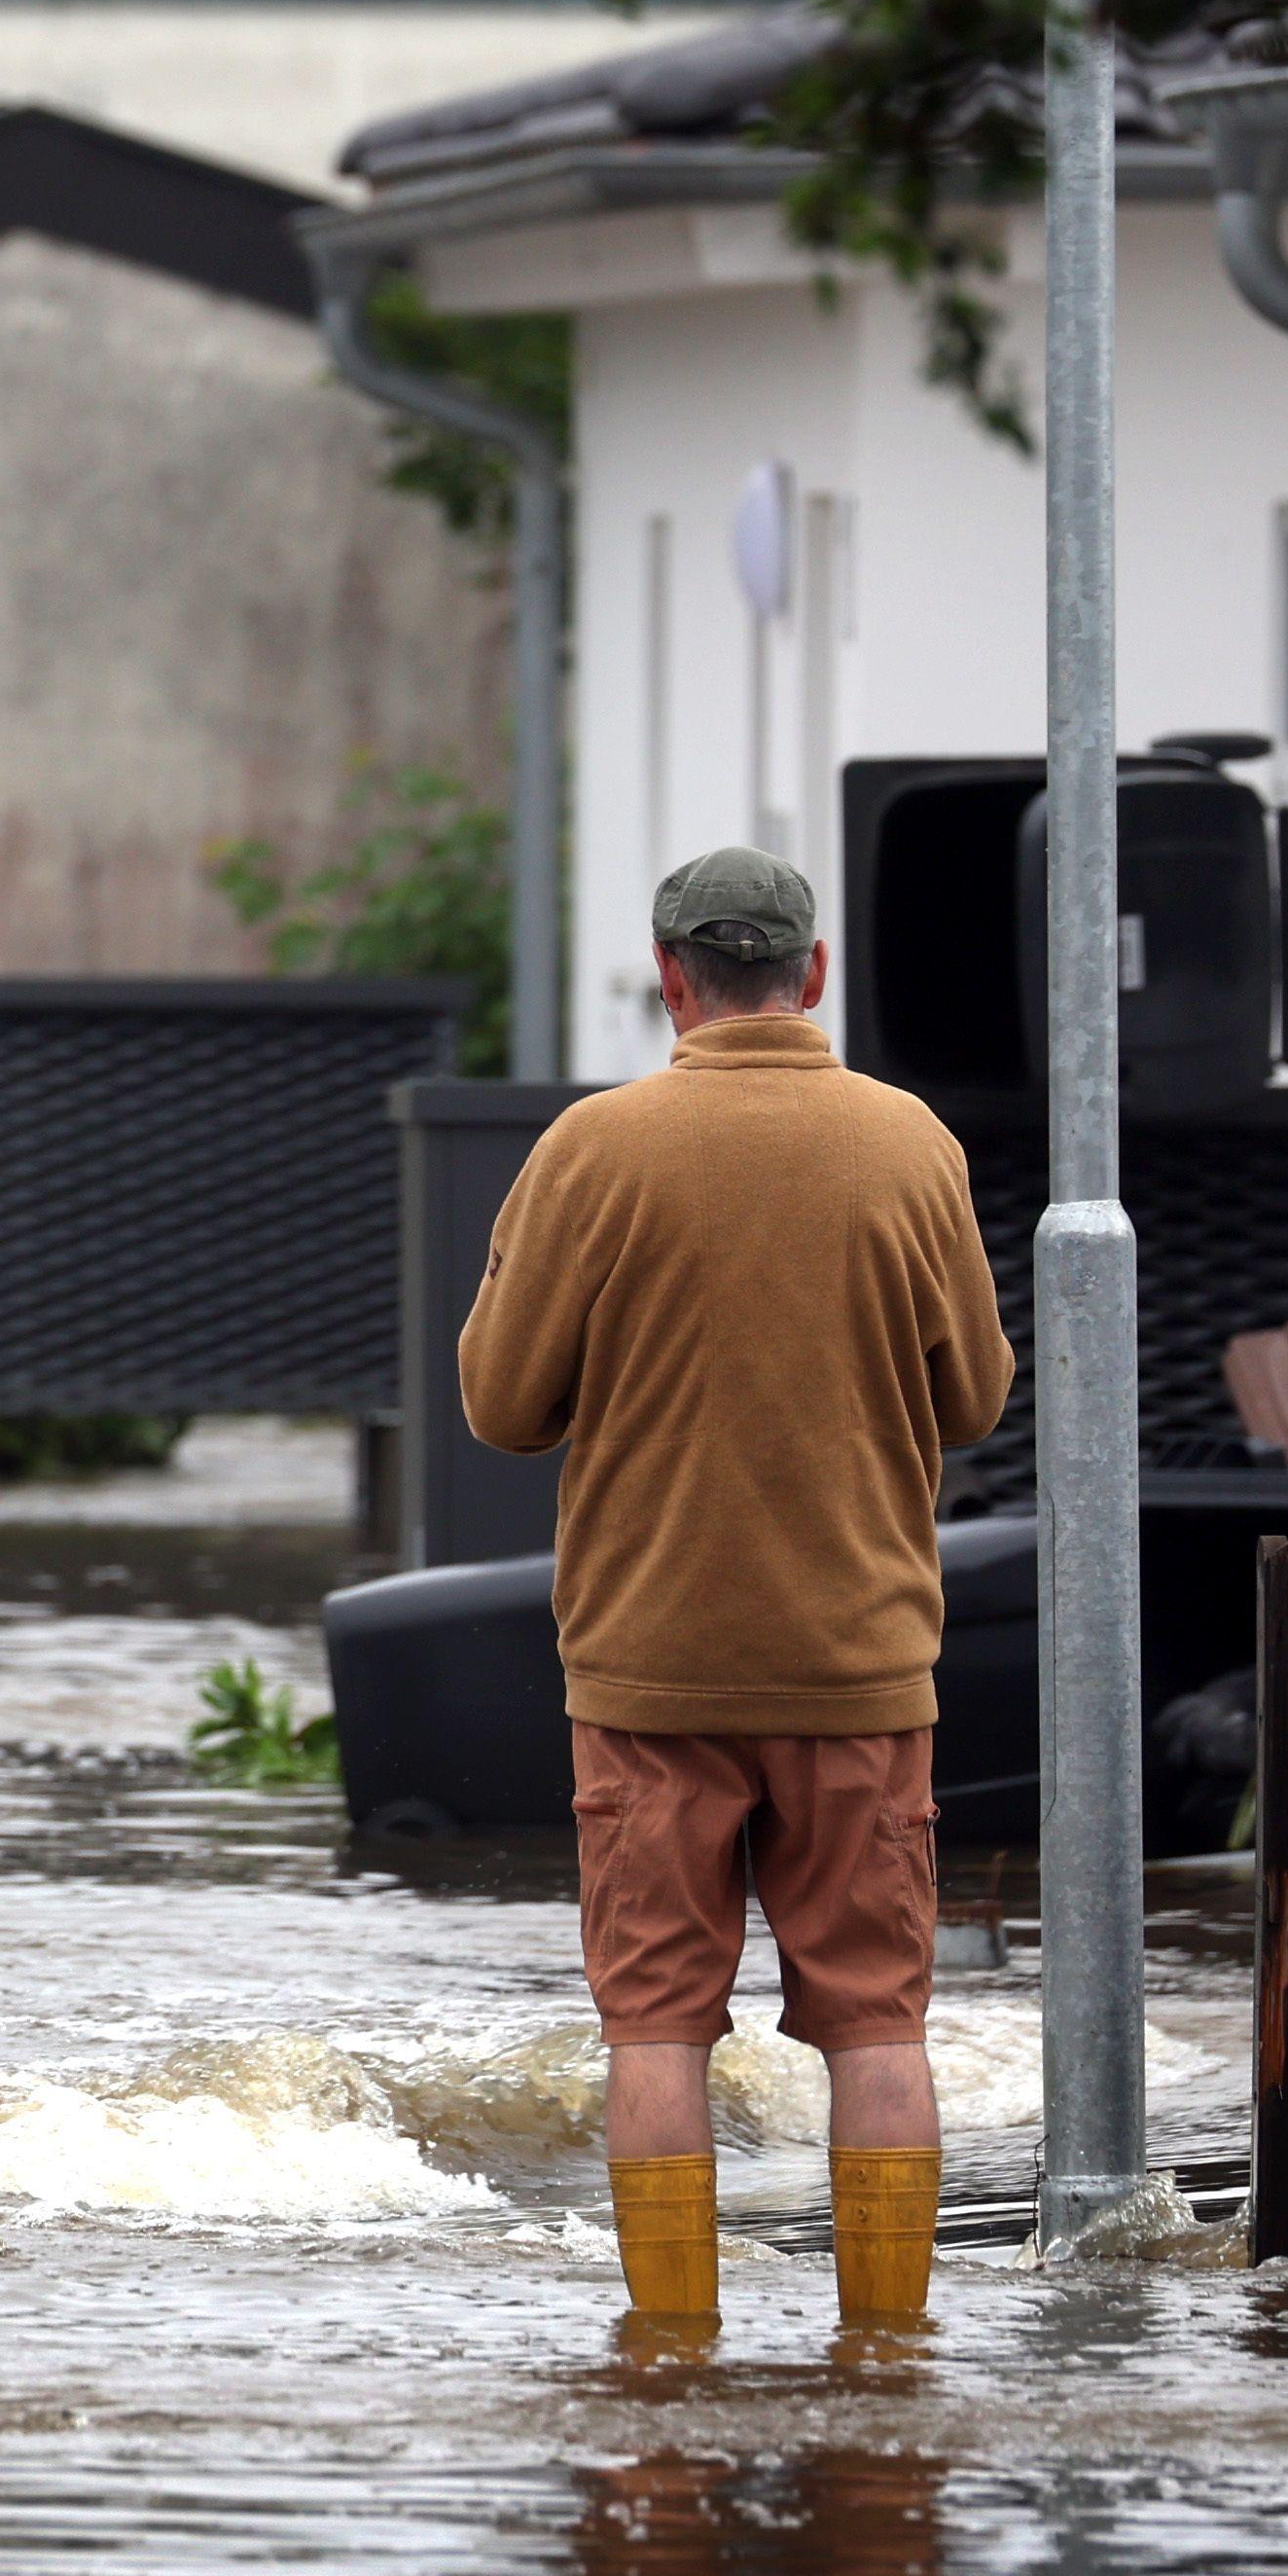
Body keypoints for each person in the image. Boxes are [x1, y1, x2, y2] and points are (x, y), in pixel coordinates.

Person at [456, 849, 1014, 2335]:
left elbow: (504, 1407)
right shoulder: (914, 1146)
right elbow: (974, 1400)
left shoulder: (591, 1150)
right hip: (859, 1666)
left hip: (652, 1676)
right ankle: (887, 2348)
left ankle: (672, 2353)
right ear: (813, 977)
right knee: (880, 2027)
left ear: (671, 981)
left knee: (655, 2034)